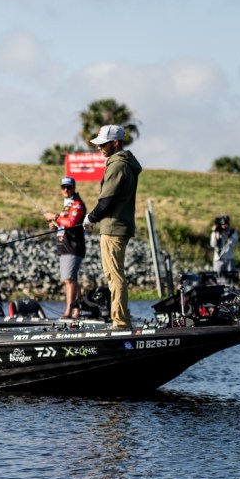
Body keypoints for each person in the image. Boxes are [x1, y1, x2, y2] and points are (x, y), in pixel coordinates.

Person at [83, 124, 142, 329]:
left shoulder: (117, 165)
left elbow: (106, 201)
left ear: (115, 143)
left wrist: (90, 218)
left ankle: (121, 322)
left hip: (113, 228)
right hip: (119, 226)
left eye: (103, 144)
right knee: (115, 274)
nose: (99, 148)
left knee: (114, 275)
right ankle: (121, 319)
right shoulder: (126, 163)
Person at [43, 176, 86, 319]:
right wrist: (55, 226)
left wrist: (54, 217)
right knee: (72, 279)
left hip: (73, 246)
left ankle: (69, 311)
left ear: (74, 188)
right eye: (63, 187)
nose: (66, 190)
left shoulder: (77, 205)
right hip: (64, 247)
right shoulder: (66, 205)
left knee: (69, 279)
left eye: (69, 187)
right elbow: (64, 224)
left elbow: (71, 222)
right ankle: (77, 311)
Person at [210, 215, 239, 281]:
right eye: (222, 224)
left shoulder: (232, 232)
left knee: (230, 279)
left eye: (225, 224)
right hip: (218, 259)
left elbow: (234, 244)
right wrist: (215, 233)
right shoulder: (216, 232)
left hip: (229, 258)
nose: (224, 226)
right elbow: (213, 244)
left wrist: (226, 235)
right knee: (217, 279)